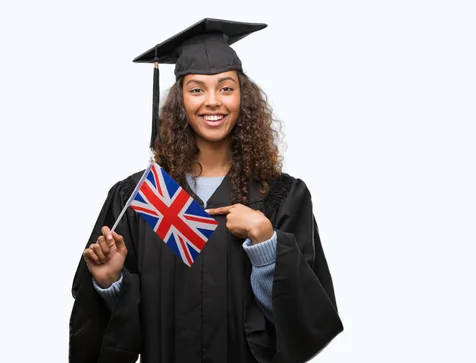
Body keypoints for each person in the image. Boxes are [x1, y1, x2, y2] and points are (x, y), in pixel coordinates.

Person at [68, 18, 343, 363]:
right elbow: (117, 332)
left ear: (244, 97)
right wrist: (111, 284)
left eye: (226, 88)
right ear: (179, 102)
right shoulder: (142, 197)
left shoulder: (281, 196)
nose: (212, 101)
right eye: (196, 89)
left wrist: (267, 244)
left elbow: (304, 323)